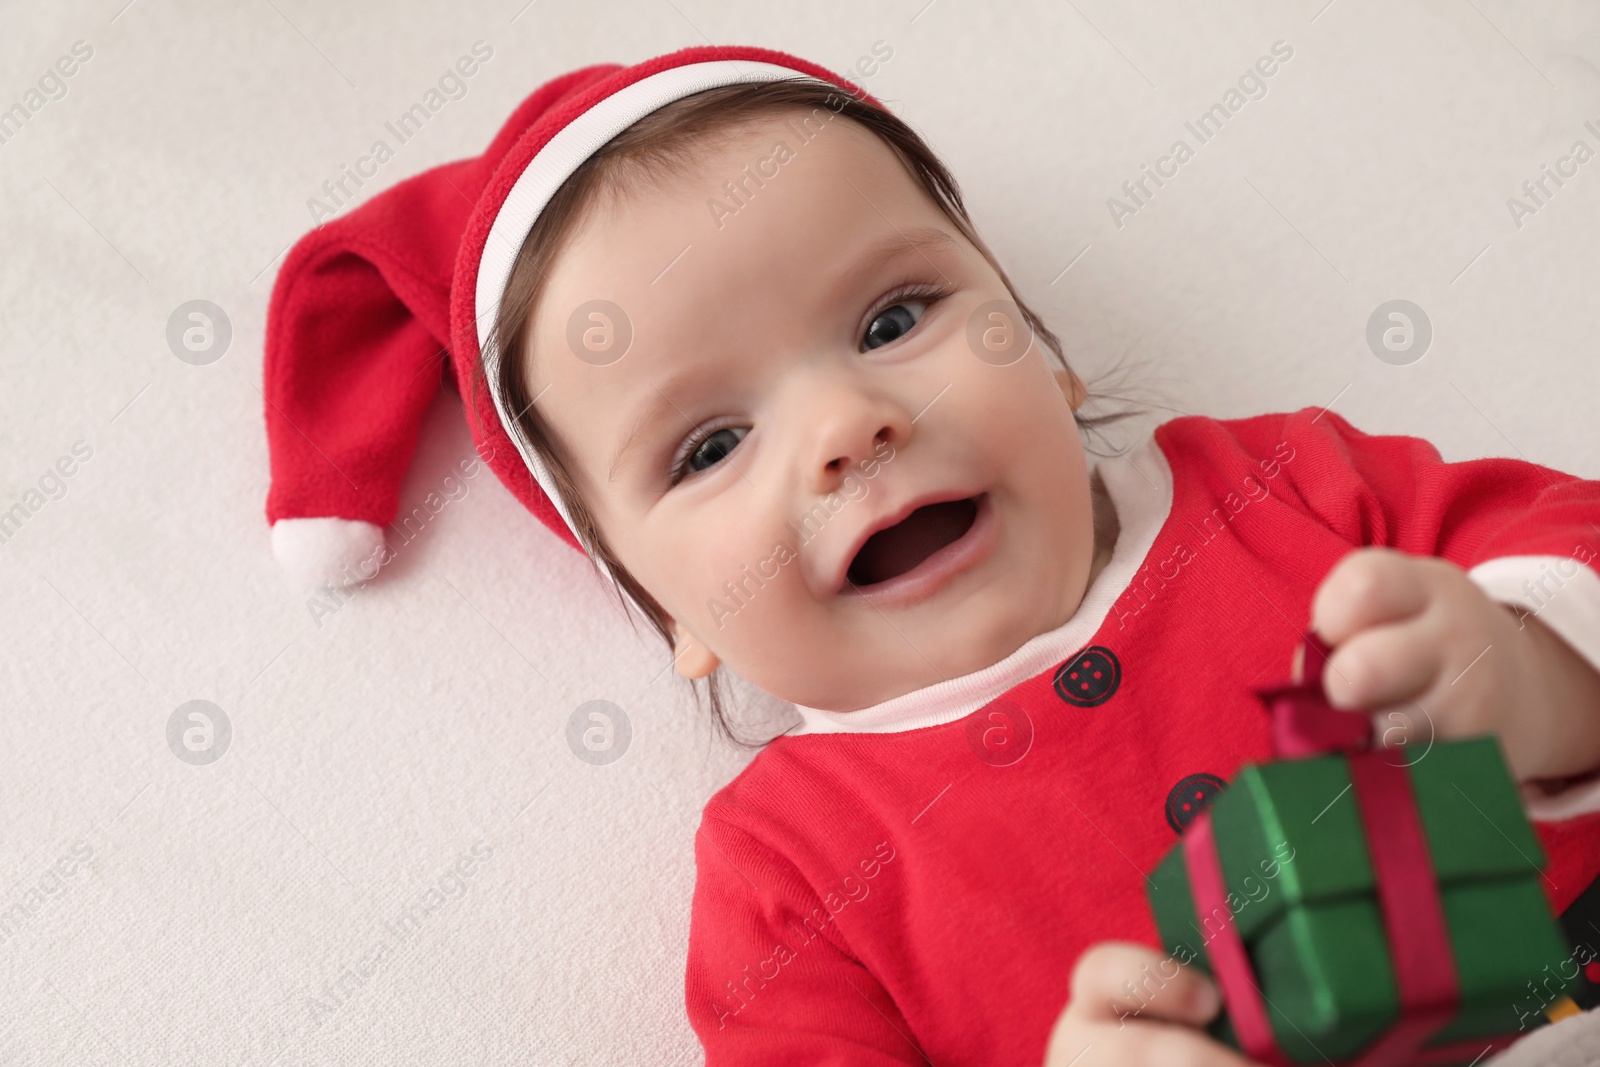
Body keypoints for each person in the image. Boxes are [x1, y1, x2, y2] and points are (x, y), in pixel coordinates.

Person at [262, 45, 1600, 1066]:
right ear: (678, 618)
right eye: (709, 446)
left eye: (895, 315)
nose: (848, 426)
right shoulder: (790, 880)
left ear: (1052, 359)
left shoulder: (1279, 486)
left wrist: (1533, 669)